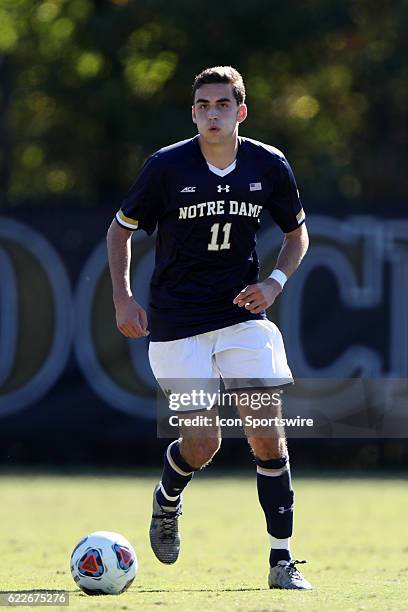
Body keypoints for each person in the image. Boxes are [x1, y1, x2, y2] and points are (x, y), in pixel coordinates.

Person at [107, 66, 311, 590]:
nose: (212, 113)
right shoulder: (166, 167)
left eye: (223, 104)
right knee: (203, 444)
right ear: (193, 112)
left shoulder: (269, 164)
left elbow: (297, 235)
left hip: (243, 318)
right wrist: (124, 297)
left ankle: (282, 560)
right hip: (177, 324)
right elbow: (119, 232)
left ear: (240, 112)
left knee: (268, 435)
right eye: (203, 105)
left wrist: (276, 283)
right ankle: (168, 497)